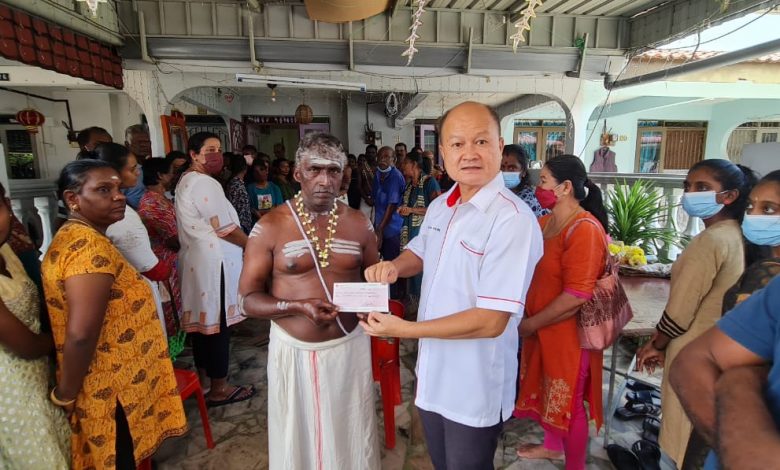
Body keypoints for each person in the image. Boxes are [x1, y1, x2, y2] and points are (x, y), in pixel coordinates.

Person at [361, 102, 543, 469]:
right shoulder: (442, 205)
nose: (469, 153)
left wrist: (405, 329)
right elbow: (420, 251)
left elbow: (491, 320)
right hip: (433, 373)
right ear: (443, 152)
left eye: (481, 141)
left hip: (473, 384)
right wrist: (394, 267)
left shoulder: (512, 220)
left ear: (499, 146)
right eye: (458, 144)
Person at [238, 132, 380, 470]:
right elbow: (247, 300)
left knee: (350, 433)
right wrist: (296, 307)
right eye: (314, 169)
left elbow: (374, 280)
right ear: (298, 173)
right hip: (294, 352)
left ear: (344, 175)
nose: (324, 181)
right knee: (297, 439)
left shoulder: (360, 224)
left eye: (333, 171)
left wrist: (373, 304)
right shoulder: (270, 226)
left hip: (349, 347)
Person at [43, 160, 186, 470]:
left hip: (118, 380)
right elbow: (81, 335)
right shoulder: (87, 250)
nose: (119, 196)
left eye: (119, 188)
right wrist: (65, 395)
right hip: (109, 387)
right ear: (73, 199)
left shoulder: (87, 237)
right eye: (103, 190)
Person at [635, 159, 757, 469]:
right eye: (687, 186)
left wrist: (656, 345)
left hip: (693, 348)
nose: (691, 193)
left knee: (681, 435)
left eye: (702, 187)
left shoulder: (710, 241)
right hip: (717, 347)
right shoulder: (735, 234)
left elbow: (680, 310)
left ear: (729, 195)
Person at [513, 155, 610, 469]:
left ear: (565, 187)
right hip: (542, 328)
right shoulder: (544, 224)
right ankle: (553, 447)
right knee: (548, 394)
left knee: (568, 402)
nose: (538, 187)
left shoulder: (584, 229)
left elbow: (576, 295)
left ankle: (575, 465)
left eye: (543, 181)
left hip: (568, 334)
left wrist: (531, 324)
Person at [176, 132, 255, 406]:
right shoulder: (204, 183)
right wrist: (253, 246)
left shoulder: (187, 180)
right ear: (194, 154)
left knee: (203, 328)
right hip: (214, 264)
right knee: (218, 325)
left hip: (198, 263)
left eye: (219, 149)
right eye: (209, 150)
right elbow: (226, 228)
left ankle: (205, 381)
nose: (217, 155)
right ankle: (220, 388)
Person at [670, 275, 780, 470]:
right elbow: (695, 361)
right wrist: (736, 449)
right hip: (699, 331)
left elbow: (681, 308)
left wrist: (737, 380)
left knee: (676, 435)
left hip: (691, 329)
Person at [0, 183, 70, 469]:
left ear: (7, 206)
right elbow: (26, 346)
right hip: (12, 388)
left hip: (39, 374)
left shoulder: (6, 250)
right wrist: (72, 335)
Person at [92, 143, 170, 336]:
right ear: (114, 173)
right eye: (132, 168)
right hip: (131, 294)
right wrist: (168, 270)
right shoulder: (121, 214)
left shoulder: (110, 208)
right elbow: (149, 266)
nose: (138, 173)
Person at [721, 169, 780, 313]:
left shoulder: (766, 274)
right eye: (750, 206)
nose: (752, 214)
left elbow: (738, 326)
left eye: (768, 209)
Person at [138, 157, 183, 337]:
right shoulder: (153, 202)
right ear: (160, 175)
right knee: (169, 305)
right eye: (171, 172)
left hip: (170, 258)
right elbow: (173, 239)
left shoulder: (159, 198)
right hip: (164, 260)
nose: (173, 176)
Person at [398, 150, 441, 304]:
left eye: (406, 163)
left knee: (422, 268)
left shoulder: (429, 182)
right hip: (410, 232)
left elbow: (438, 210)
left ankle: (424, 304)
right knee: (410, 266)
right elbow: (410, 208)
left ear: (414, 164)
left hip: (424, 234)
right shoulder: (410, 185)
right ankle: (413, 303)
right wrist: (404, 210)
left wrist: (411, 210)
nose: (403, 166)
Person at [371, 146, 406, 298]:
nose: (383, 160)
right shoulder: (378, 174)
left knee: (392, 264)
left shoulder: (395, 177)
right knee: (381, 263)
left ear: (394, 160)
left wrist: (380, 230)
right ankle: (385, 297)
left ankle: (395, 299)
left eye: (387, 157)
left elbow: (392, 206)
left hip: (393, 229)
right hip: (380, 226)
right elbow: (375, 200)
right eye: (380, 156)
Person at [502, 144, 549, 217]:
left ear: (523, 172)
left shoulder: (529, 202)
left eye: (512, 168)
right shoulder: (498, 193)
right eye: (502, 167)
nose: (505, 172)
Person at [123, 124, 152, 208]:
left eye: (147, 142)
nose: (144, 145)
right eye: (139, 142)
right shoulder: (123, 169)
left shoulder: (152, 165)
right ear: (127, 144)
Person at [225, 153, 253, 234]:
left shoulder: (232, 183)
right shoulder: (238, 186)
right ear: (245, 168)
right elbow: (239, 210)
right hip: (240, 227)